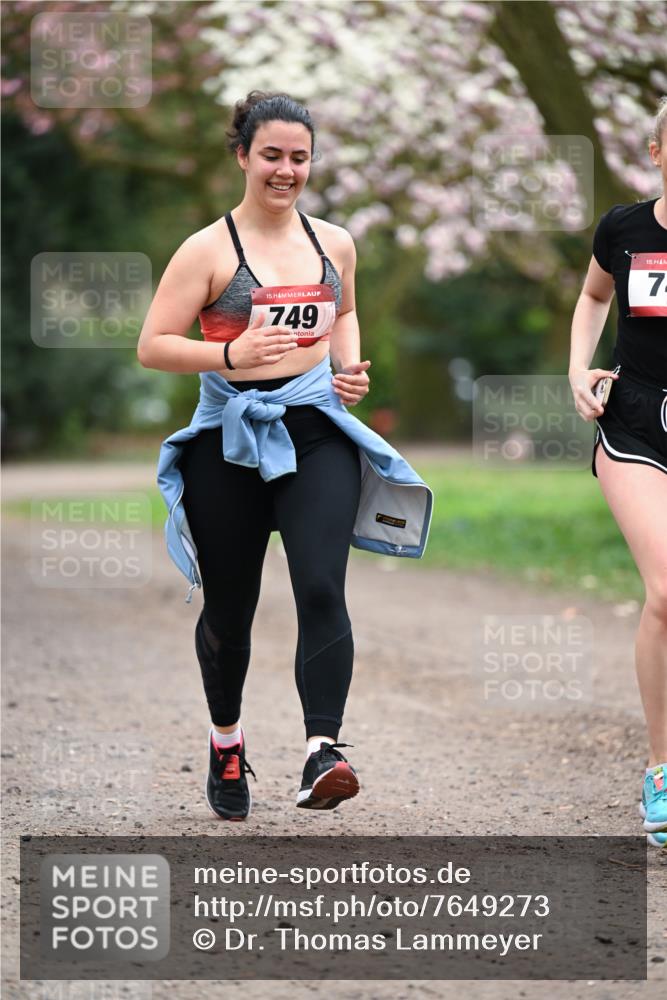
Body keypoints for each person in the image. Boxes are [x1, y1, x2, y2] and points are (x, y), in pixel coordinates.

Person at [140, 92, 433, 820]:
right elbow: (152, 345)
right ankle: (227, 741)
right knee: (230, 612)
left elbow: (345, 311)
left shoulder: (334, 242)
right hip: (228, 443)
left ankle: (322, 751)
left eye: (298, 157)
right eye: (271, 155)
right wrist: (230, 352)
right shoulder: (206, 250)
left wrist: (349, 367)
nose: (285, 170)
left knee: (322, 588)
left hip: (315, 431)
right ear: (241, 155)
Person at [569, 97, 667, 848]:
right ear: (656, 150)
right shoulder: (623, 229)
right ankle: (661, 773)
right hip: (633, 423)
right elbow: (592, 296)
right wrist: (577, 369)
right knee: (666, 591)